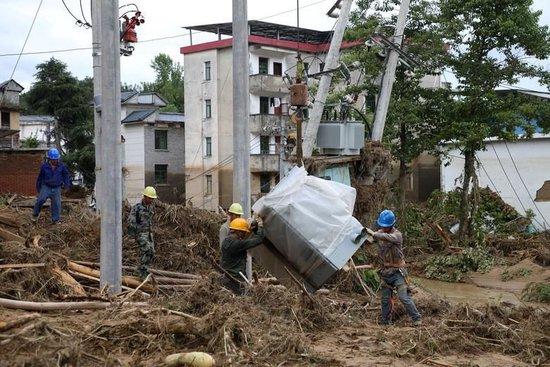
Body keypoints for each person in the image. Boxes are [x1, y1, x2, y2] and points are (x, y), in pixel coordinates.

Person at [366, 209, 421, 326]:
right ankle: (385, 321)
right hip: (385, 272)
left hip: (398, 272)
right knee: (385, 299)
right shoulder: (380, 233)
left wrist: (374, 234)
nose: (384, 228)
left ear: (392, 225)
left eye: (386, 226)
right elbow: (371, 239)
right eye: (382, 226)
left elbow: (386, 237)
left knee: (404, 297)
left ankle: (417, 319)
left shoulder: (397, 235)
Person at [220, 217, 265, 295]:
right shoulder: (237, 244)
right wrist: (259, 228)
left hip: (225, 278)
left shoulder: (226, 241)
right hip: (236, 280)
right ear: (238, 232)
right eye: (243, 232)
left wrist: (251, 228)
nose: (244, 235)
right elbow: (259, 239)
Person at [32, 148, 71, 224]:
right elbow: (40, 177)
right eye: (53, 160)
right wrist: (39, 189)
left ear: (58, 158)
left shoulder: (62, 166)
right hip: (46, 186)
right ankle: (35, 214)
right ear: (49, 159)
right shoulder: (44, 166)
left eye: (56, 159)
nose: (54, 161)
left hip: (57, 187)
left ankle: (55, 220)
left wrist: (67, 185)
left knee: (56, 204)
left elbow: (66, 175)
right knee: (40, 200)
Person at [128, 186, 157, 278]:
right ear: (145, 196)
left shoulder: (150, 207)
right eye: (150, 198)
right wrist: (136, 232)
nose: (151, 200)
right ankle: (139, 271)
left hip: (149, 234)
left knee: (151, 252)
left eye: (152, 198)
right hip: (140, 234)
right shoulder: (137, 208)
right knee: (147, 250)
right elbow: (130, 221)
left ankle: (143, 270)